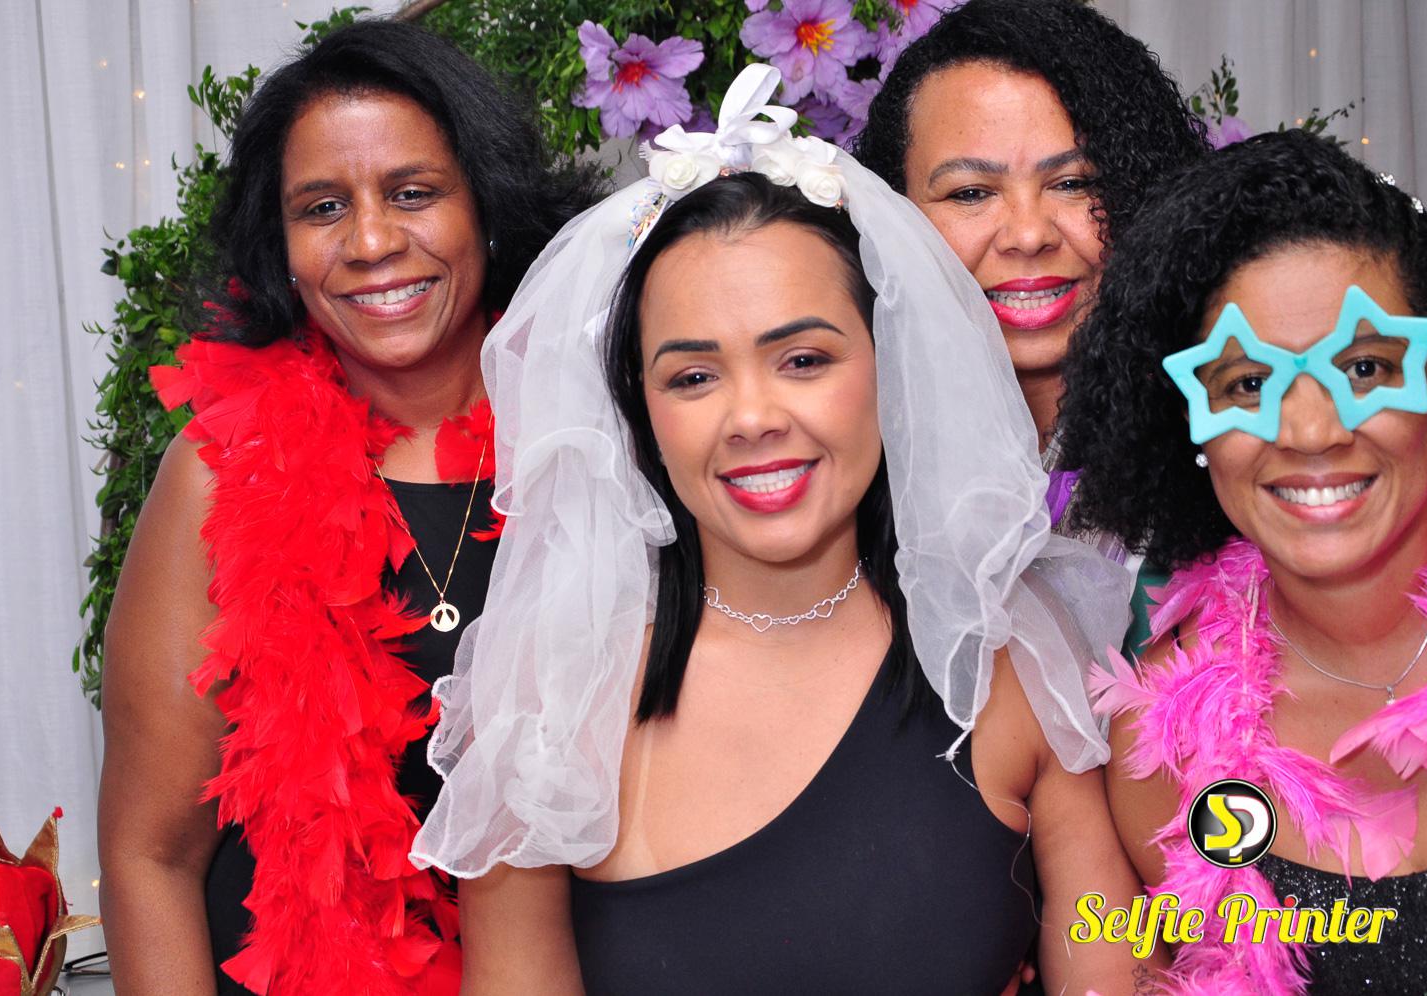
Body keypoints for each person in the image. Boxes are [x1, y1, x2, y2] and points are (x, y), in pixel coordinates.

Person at [411, 66, 1158, 995]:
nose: (753, 417)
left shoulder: (1014, 661)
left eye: (803, 359)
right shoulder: (552, 707)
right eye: (693, 377)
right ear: (641, 415)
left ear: (889, 367)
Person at [96, 21, 600, 996]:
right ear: (280, 246)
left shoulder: (598, 437)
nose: (371, 242)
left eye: (413, 193)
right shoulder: (218, 471)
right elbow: (149, 858)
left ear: (486, 205)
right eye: (323, 207)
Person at [1058, 129, 1427, 992]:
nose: (1309, 431)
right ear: (1190, 417)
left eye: (1364, 367)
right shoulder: (1160, 750)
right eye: (1249, 384)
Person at [853, 0, 1207, 457]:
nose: (1029, 236)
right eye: (971, 193)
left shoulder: (1231, 442)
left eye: (1073, 184)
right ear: (893, 212)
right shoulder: (850, 459)